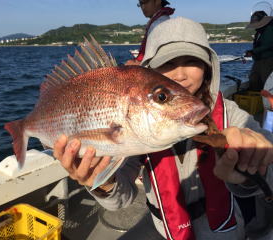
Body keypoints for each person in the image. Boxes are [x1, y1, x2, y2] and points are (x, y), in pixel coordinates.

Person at [54, 17, 273, 239]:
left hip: (224, 230)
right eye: (167, 64)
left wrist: (255, 163)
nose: (180, 74)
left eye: (192, 61)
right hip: (165, 229)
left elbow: (266, 161)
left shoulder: (231, 113)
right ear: (149, 73)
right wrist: (103, 183)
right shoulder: (136, 122)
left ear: (208, 67)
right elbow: (121, 199)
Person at [125, 0, 174, 66]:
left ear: (158, 1)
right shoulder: (160, 21)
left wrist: (136, 65)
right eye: (141, 4)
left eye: (145, 2)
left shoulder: (159, 23)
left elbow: (159, 61)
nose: (143, 7)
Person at [245, 10, 273, 91]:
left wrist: (253, 51)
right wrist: (252, 52)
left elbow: (268, 45)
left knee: (267, 83)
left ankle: (268, 102)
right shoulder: (259, 32)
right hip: (258, 61)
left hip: (268, 60)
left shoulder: (270, 29)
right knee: (254, 80)